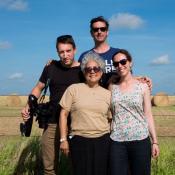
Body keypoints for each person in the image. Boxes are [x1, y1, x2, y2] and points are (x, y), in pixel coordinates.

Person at [21, 35, 84, 175]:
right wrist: (28, 105)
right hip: (52, 122)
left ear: (75, 50)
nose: (65, 55)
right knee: (49, 167)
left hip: (77, 123)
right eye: (62, 52)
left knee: (78, 165)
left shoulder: (84, 70)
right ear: (57, 52)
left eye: (68, 51)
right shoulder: (51, 67)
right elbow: (38, 87)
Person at [59, 52, 111, 175]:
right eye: (88, 68)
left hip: (102, 141)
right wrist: (63, 140)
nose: (92, 71)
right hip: (79, 140)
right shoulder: (73, 89)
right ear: (83, 71)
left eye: (96, 68)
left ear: (101, 71)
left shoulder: (108, 94)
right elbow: (63, 115)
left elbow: (110, 120)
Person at [109, 49, 159, 175]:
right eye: (116, 64)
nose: (120, 65)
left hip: (140, 140)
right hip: (117, 141)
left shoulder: (142, 86)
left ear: (130, 62)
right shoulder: (112, 87)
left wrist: (155, 141)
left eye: (123, 61)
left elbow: (148, 114)